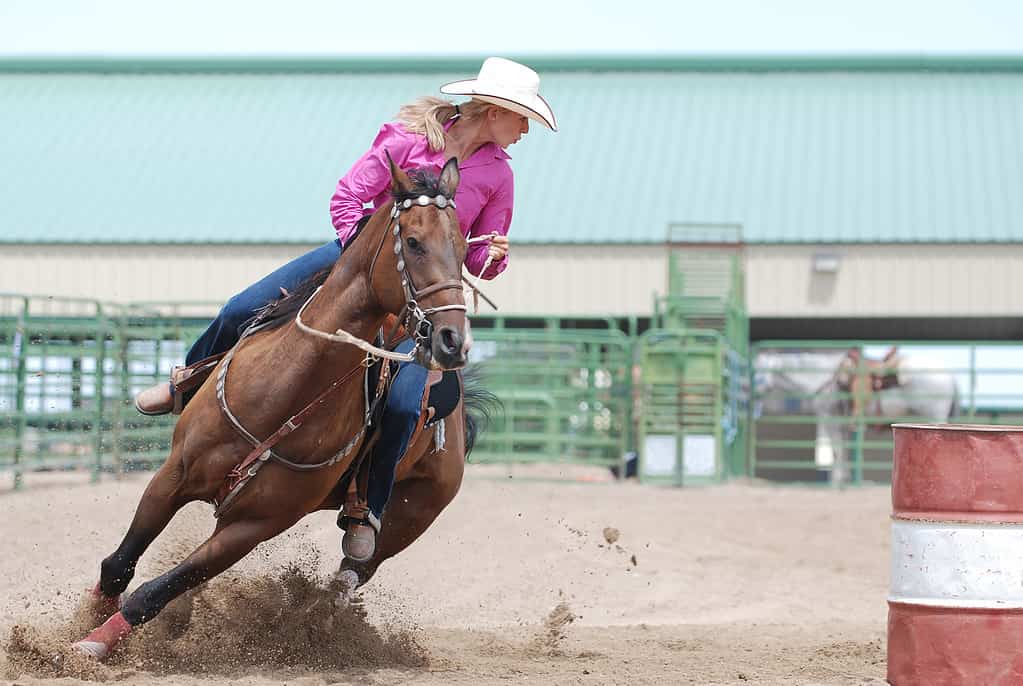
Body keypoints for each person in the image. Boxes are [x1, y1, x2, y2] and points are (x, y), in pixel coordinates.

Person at [133, 56, 557, 562]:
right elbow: (349, 195)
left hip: (418, 298)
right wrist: (361, 259)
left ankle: (367, 506)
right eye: (522, 117)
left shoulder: (498, 176)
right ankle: (192, 379)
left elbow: (481, 259)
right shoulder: (406, 139)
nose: (525, 130)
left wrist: (492, 257)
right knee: (241, 308)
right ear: (493, 110)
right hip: (355, 264)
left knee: (403, 404)